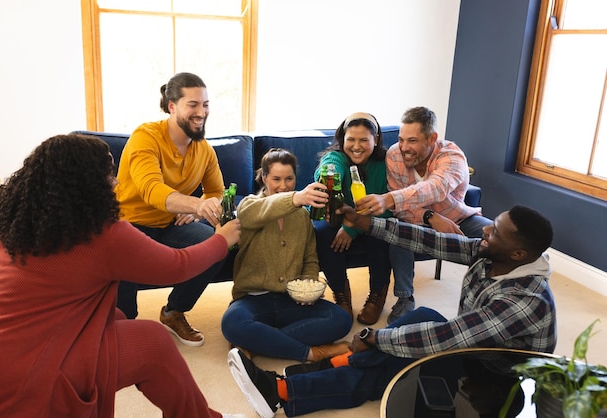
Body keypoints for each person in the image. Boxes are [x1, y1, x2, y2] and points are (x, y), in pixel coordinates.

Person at [0, 134, 244, 418]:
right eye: (108, 175)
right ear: (86, 185)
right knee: (152, 341)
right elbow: (177, 265)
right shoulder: (103, 233)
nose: (116, 182)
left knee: (115, 316)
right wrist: (222, 240)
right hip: (32, 370)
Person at [227, 204, 556, 417]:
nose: (484, 231)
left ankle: (282, 391)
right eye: (492, 225)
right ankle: (298, 375)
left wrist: (377, 337)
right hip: (472, 347)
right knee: (422, 319)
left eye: (495, 231)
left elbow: (449, 336)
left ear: (518, 254)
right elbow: (429, 241)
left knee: (395, 364)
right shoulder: (492, 255)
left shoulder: (525, 301)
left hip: (494, 379)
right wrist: (368, 224)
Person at [114, 72, 227, 346]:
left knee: (218, 244)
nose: (202, 112)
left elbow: (217, 192)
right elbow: (151, 189)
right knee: (123, 315)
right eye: (193, 105)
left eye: (206, 104)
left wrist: (198, 210)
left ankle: (174, 312)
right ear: (172, 106)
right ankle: (122, 326)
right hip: (128, 226)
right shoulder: (146, 137)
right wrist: (196, 203)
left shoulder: (204, 150)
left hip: (168, 225)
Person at [356, 106, 492, 323]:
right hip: (415, 220)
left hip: (457, 218)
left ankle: (488, 300)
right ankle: (405, 298)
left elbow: (436, 187)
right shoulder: (394, 155)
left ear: (432, 138)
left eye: (412, 141)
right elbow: (401, 209)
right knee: (399, 236)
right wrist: (429, 216)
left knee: (496, 239)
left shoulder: (451, 156)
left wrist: (389, 199)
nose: (404, 147)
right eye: (401, 139)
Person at [221, 148, 353, 363]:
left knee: (340, 319)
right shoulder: (249, 205)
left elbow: (310, 259)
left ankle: (255, 344)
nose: (283, 185)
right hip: (252, 300)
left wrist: (308, 288)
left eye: (289, 178)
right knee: (231, 323)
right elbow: (254, 213)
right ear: (264, 178)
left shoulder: (302, 216)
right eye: (276, 179)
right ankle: (312, 352)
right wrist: (297, 197)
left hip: (291, 299)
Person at [312, 112, 392, 325]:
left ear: (375, 141)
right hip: (339, 217)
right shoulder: (336, 158)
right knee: (322, 232)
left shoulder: (386, 164)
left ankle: (377, 295)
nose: (357, 146)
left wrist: (351, 227)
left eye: (364, 140)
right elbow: (329, 169)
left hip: (371, 219)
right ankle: (341, 296)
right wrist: (328, 179)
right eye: (351, 140)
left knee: (382, 233)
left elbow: (385, 209)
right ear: (342, 140)